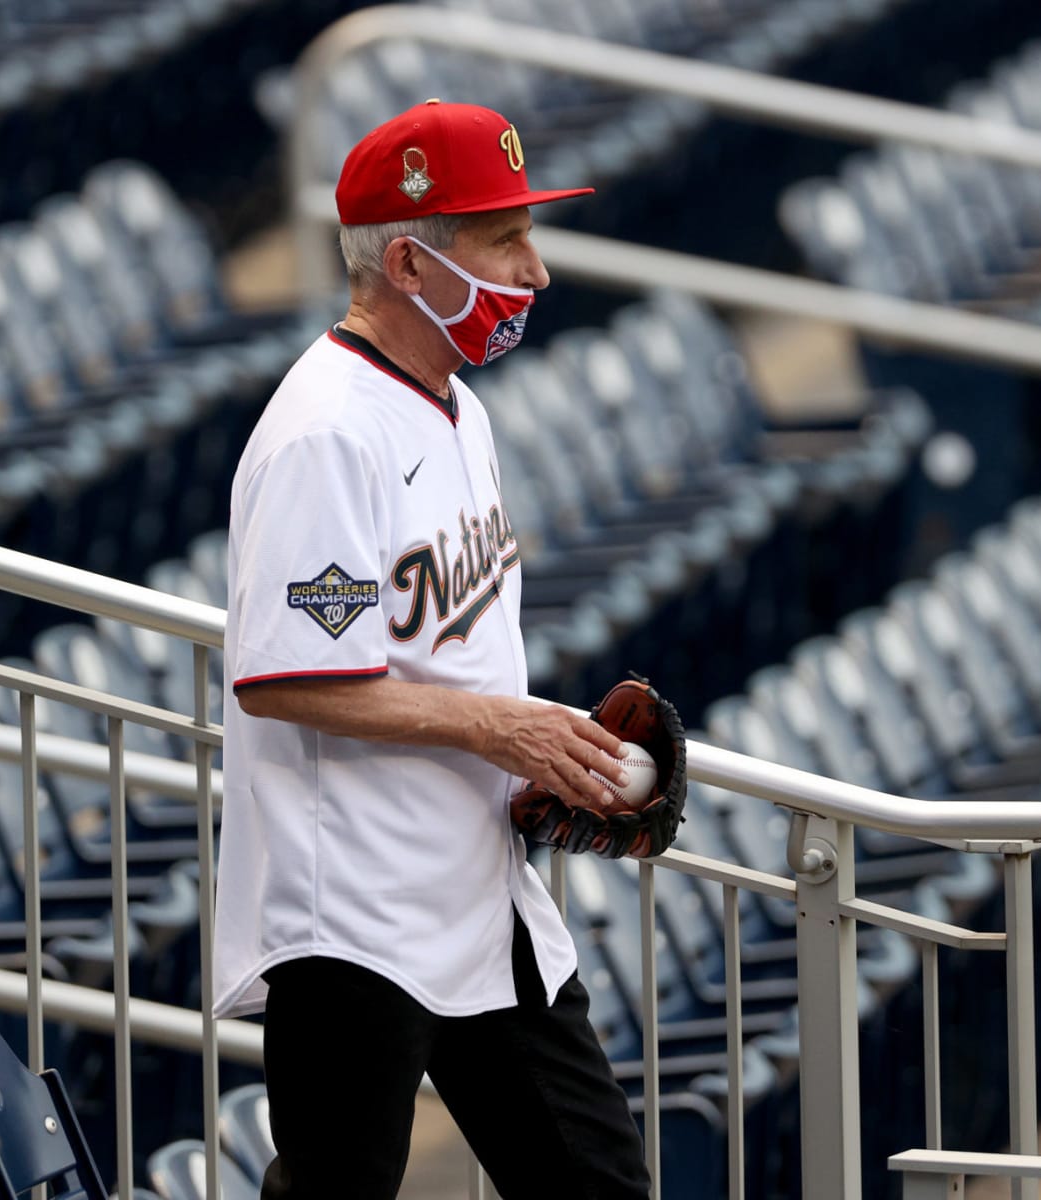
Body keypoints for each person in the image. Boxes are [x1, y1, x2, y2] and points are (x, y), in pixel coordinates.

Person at [212, 99, 653, 1200]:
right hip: (354, 913)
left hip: (478, 887)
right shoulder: (326, 431)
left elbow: (449, 656)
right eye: (504, 239)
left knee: (599, 1180)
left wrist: (537, 767)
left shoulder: (459, 407)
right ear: (408, 260)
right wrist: (503, 728)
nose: (535, 271)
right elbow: (288, 677)